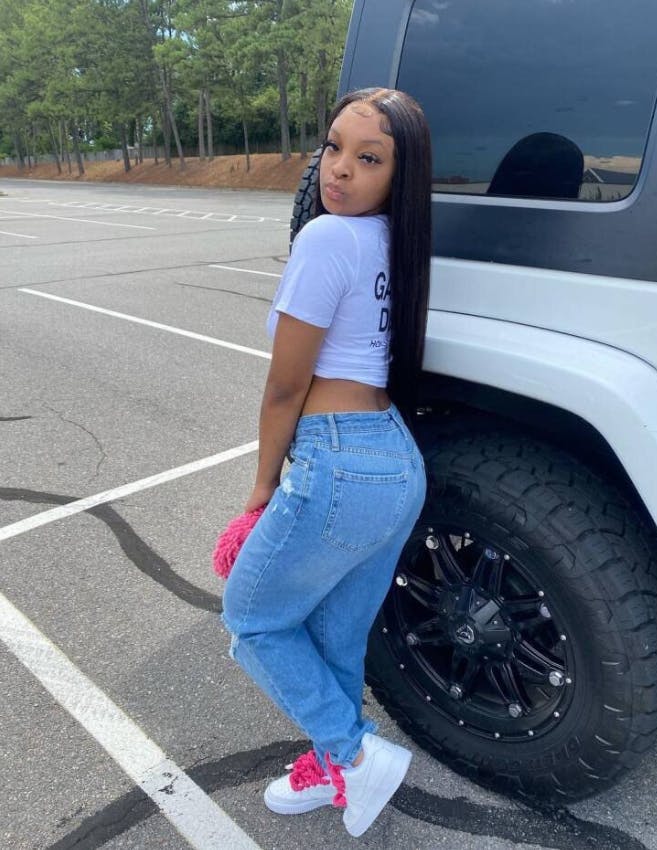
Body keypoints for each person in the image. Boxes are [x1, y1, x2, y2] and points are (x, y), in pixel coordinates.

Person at [221, 87, 432, 838]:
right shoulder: (393, 240)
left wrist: (261, 486)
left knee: (252, 619)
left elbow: (286, 386)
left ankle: (351, 752)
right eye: (333, 147)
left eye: (369, 159)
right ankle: (334, 765)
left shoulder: (327, 238)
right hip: (395, 460)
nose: (339, 169)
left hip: (338, 461)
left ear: (399, 175)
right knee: (335, 638)